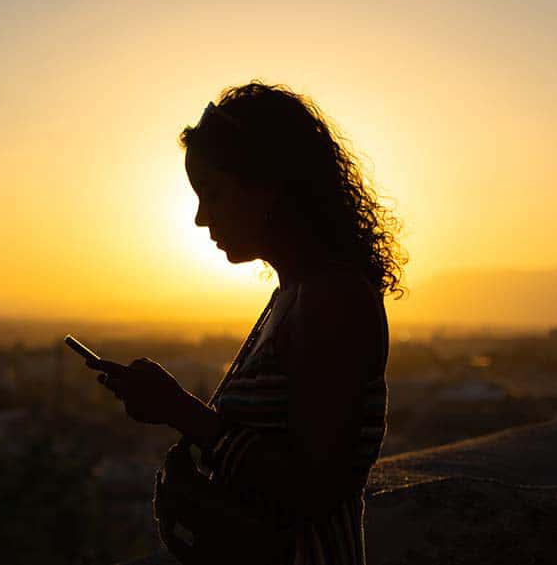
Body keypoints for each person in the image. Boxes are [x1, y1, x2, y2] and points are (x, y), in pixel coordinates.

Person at [93, 81, 406, 565]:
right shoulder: (293, 295)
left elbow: (312, 486)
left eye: (213, 193)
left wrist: (181, 411)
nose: (200, 217)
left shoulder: (331, 300)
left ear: (268, 187)